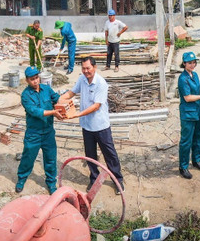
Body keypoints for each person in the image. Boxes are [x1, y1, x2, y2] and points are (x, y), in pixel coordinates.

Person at [59, 57, 124, 193]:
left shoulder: (101, 83)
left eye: (88, 68)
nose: (86, 71)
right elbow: (72, 92)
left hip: (100, 125)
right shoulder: (82, 79)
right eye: (83, 68)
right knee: (90, 154)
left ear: (94, 67)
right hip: (87, 125)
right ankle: (93, 178)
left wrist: (77, 114)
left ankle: (118, 180)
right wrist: (62, 98)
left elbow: (96, 106)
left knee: (109, 154)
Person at [16, 66, 63, 194]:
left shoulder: (46, 89)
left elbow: (55, 97)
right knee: (28, 157)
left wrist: (63, 104)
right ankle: (21, 178)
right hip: (34, 133)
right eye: (32, 79)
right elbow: (35, 111)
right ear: (27, 80)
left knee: (50, 158)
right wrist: (53, 112)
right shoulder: (25, 95)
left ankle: (51, 183)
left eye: (37, 78)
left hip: (48, 132)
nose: (35, 81)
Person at [177, 52, 200, 179]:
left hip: (197, 111)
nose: (192, 65)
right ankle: (183, 166)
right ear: (184, 63)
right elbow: (187, 97)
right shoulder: (183, 79)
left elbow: (197, 91)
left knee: (199, 137)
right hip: (188, 113)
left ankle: (196, 160)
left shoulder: (195, 75)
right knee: (186, 140)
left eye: (194, 62)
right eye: (189, 63)